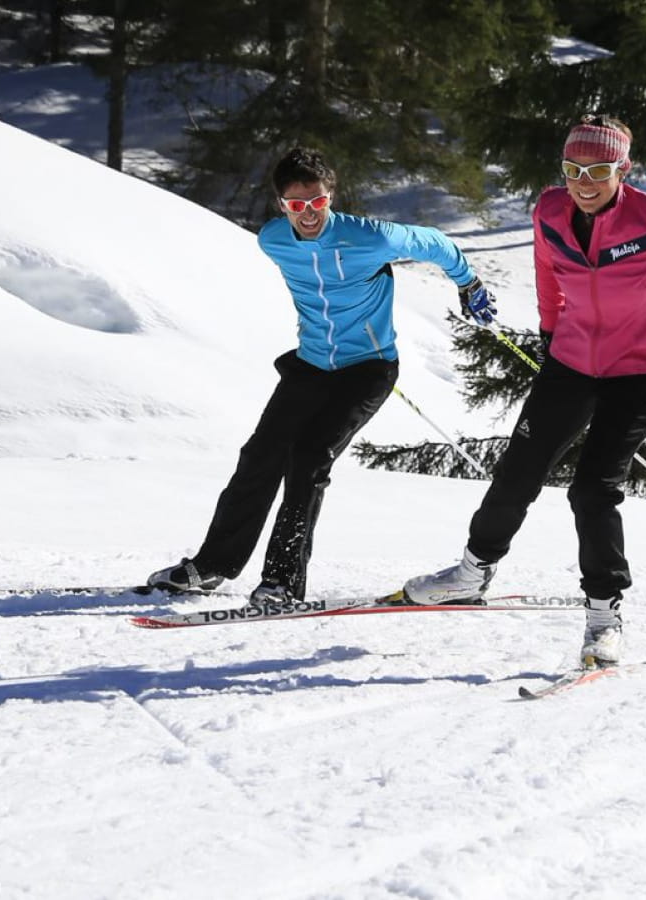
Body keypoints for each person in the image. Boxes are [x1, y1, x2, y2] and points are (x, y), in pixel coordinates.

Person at [402, 114, 646, 666]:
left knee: (592, 490)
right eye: (573, 169)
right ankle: (471, 573)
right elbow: (547, 269)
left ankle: (603, 615)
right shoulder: (549, 211)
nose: (584, 182)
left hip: (639, 371)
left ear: (623, 169)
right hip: (571, 360)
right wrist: (550, 328)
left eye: (597, 170)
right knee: (520, 466)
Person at [147, 146, 495, 605]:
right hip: (310, 365)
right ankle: (211, 566)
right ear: (281, 205)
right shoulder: (272, 240)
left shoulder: (370, 237)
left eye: (317, 202)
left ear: (331, 197)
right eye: (297, 205)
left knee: (309, 458)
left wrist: (468, 283)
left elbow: (434, 242)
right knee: (259, 457)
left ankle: (281, 583)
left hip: (368, 369)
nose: (308, 214)